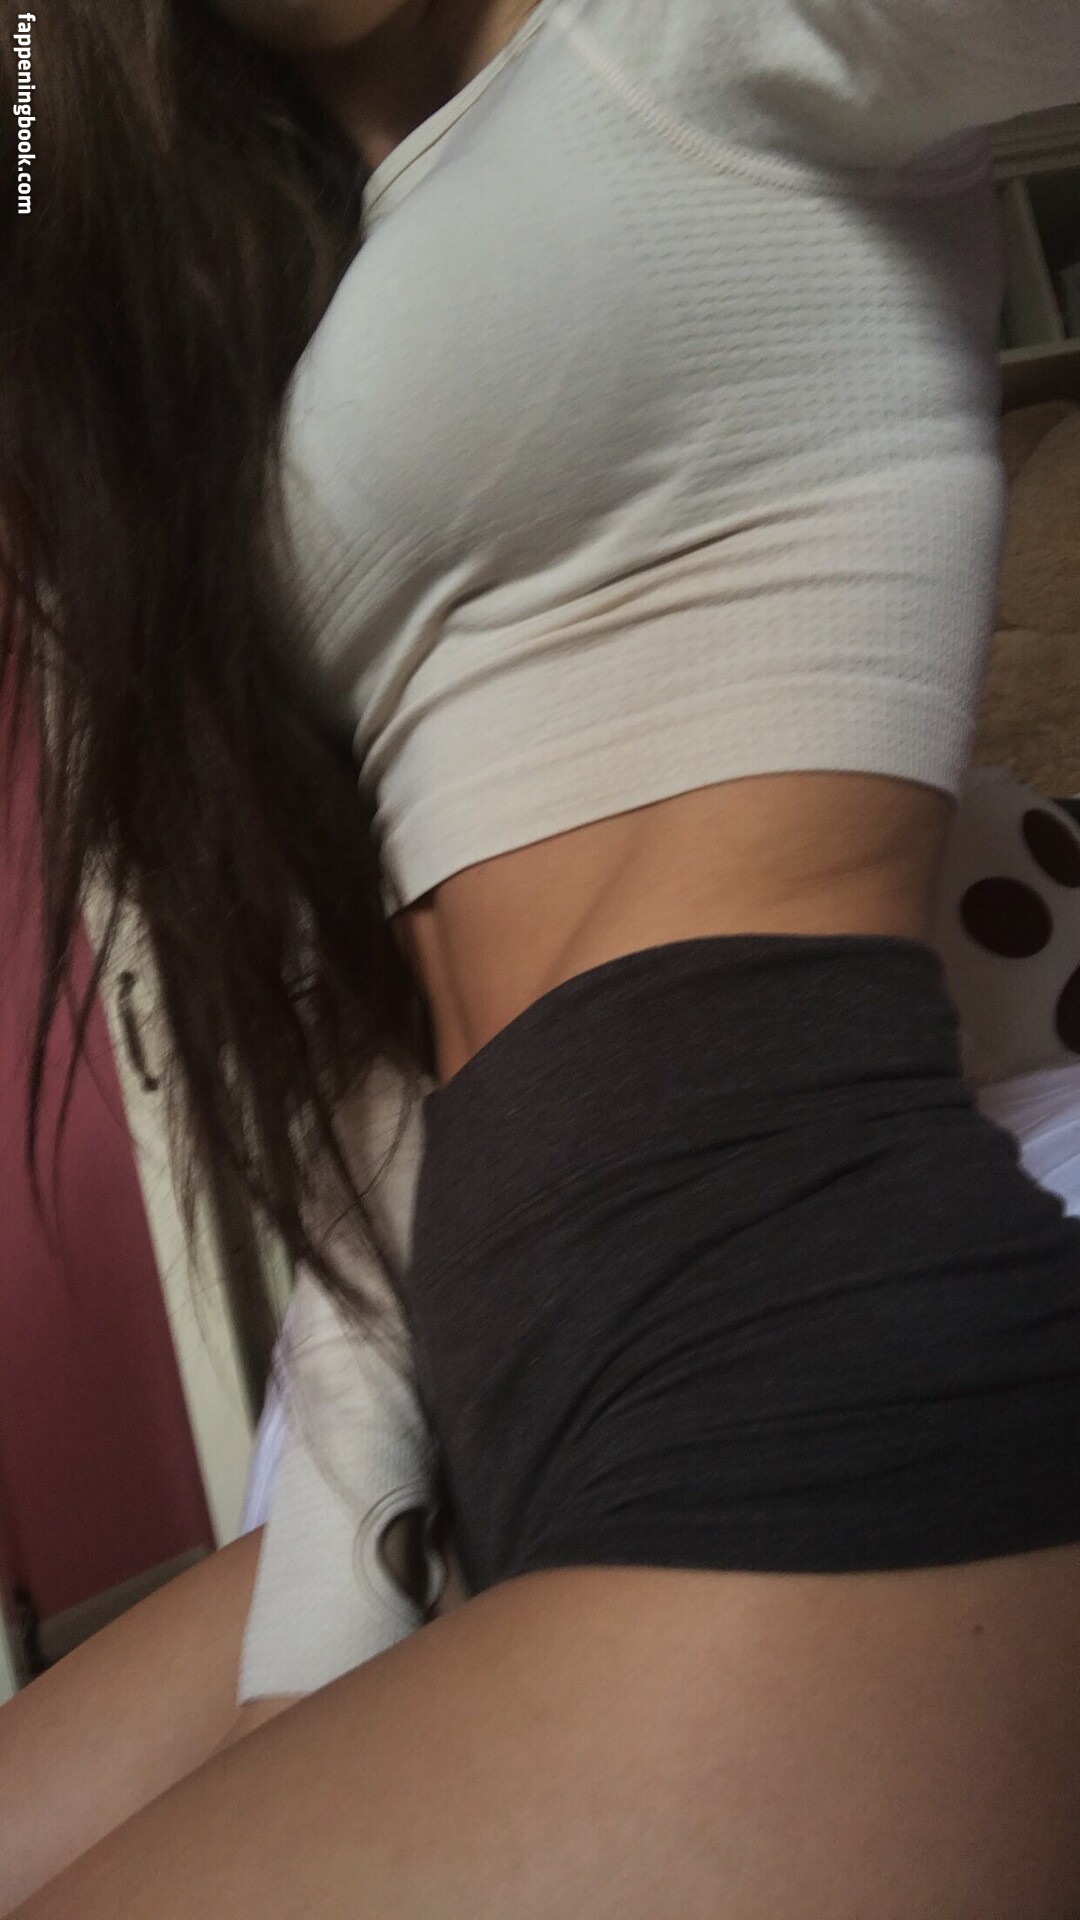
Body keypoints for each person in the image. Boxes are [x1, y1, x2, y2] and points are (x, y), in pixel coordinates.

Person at [2, 1, 1080, 1913]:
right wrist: (310, 1675)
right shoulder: (316, 257)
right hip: (516, 1388)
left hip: (787, 1351)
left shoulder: (682, 41)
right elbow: (395, 1068)